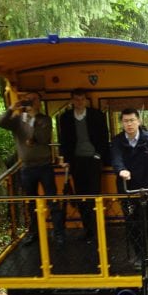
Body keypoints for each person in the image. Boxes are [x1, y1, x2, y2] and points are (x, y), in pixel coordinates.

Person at [0, 91, 64, 246]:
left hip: (44, 166)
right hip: (27, 168)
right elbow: (0, 122)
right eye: (28, 99)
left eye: (34, 99)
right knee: (31, 203)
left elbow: (42, 137)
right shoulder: (18, 120)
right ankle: (33, 233)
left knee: (52, 201)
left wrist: (33, 119)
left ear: (39, 102)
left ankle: (59, 233)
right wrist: (11, 109)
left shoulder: (45, 120)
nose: (31, 102)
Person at [110, 108, 148, 268]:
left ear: (138, 121)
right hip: (128, 190)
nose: (129, 124)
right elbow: (116, 158)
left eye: (132, 120)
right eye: (126, 121)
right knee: (132, 223)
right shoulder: (118, 141)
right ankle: (140, 256)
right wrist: (121, 170)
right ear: (122, 123)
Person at [57, 88, 110, 240]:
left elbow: (103, 137)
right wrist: (66, 159)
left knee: (94, 194)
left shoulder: (96, 115)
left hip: (93, 160)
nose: (79, 102)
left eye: (82, 99)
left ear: (86, 100)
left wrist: (99, 155)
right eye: (76, 99)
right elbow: (64, 141)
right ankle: (89, 229)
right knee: (81, 196)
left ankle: (98, 228)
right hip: (76, 161)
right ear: (72, 101)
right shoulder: (65, 118)